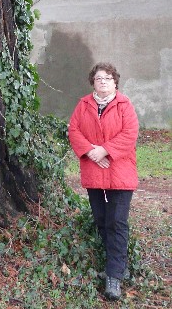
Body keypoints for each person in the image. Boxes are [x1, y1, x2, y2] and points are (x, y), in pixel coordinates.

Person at [68, 62, 139, 301]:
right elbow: (74, 131)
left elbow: (129, 134)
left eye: (108, 78)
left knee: (117, 222)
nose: (103, 82)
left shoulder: (124, 105)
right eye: (99, 78)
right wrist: (91, 152)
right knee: (101, 219)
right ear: (93, 82)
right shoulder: (83, 105)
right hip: (94, 171)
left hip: (120, 172)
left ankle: (114, 277)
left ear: (115, 82)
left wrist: (106, 150)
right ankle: (118, 262)